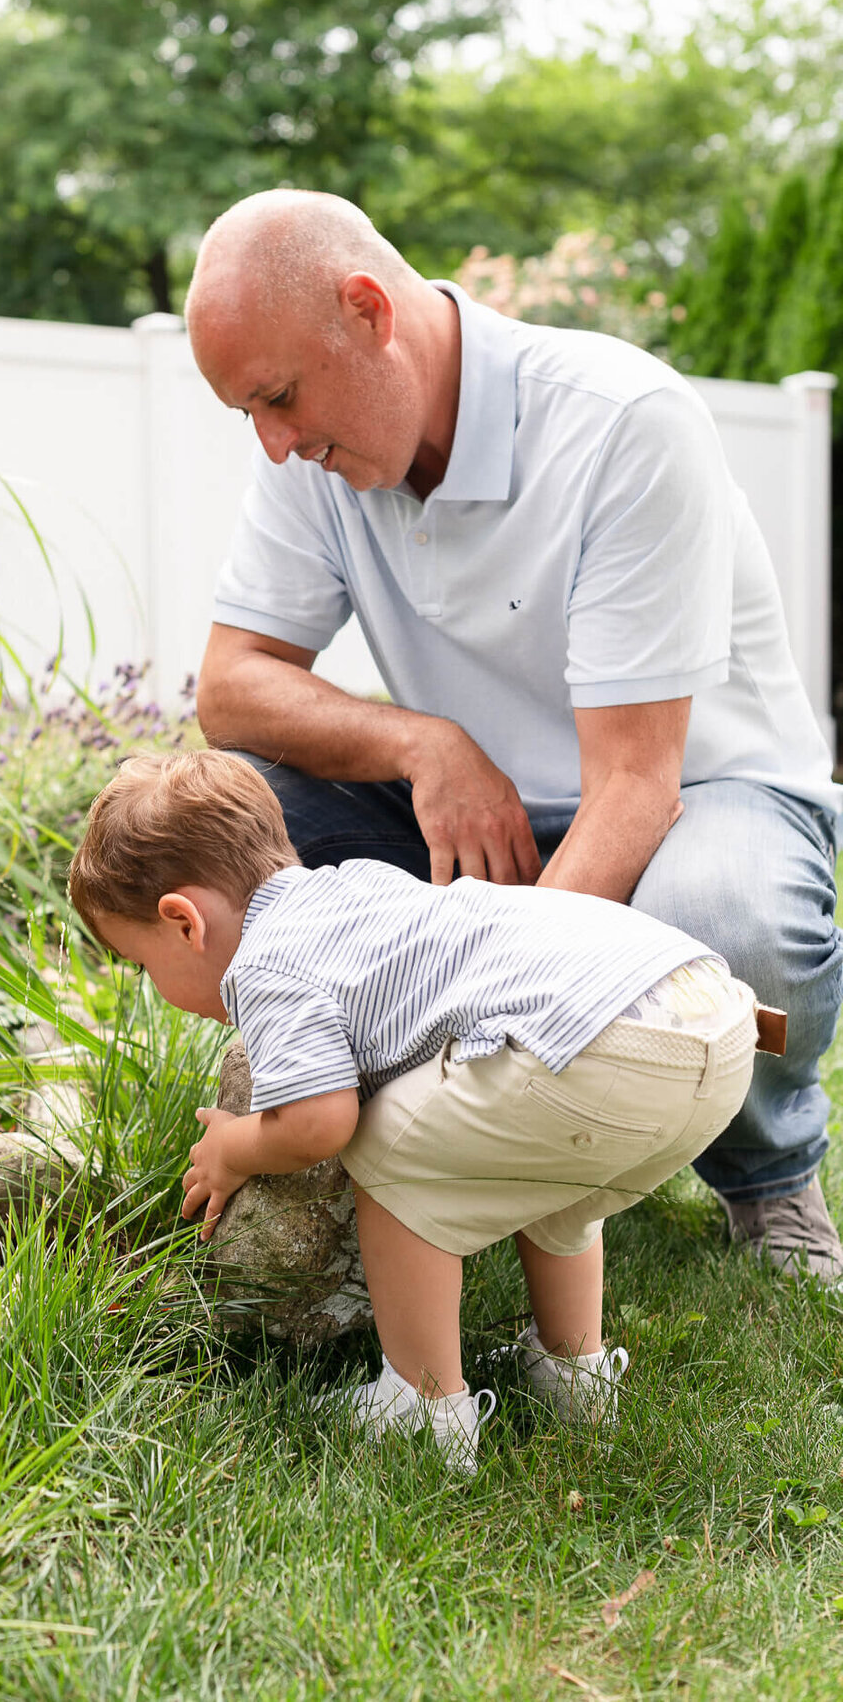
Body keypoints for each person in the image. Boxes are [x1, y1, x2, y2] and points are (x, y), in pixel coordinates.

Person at [184, 188, 843, 1284]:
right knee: (244, 818)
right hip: (477, 824)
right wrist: (423, 745)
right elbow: (232, 687)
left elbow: (636, 786)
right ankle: (324, 1083)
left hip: (701, 800)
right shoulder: (313, 453)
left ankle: (768, 1175)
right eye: (250, 414)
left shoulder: (623, 421)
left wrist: (482, 1012)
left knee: (724, 918)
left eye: (281, 398)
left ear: (367, 310)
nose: (277, 442)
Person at [68, 750, 760, 1471]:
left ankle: (424, 1407)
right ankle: (571, 1375)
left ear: (184, 921)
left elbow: (319, 1121)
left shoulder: (266, 962)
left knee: (389, 1146)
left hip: (603, 1046)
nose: (152, 984)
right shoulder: (357, 885)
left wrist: (235, 1146)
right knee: (545, 1172)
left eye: (142, 964)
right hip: (707, 1016)